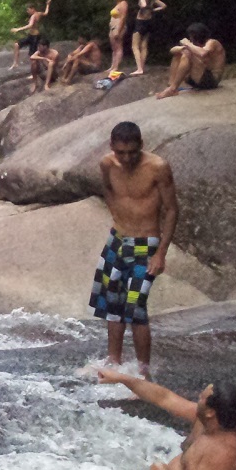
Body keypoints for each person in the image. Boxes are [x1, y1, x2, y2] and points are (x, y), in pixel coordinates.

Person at [90, 121, 178, 377]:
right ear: (112, 147)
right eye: (121, 152)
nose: (126, 158)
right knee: (112, 302)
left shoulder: (158, 168)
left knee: (136, 306)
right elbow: (108, 190)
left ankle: (143, 370)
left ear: (141, 145)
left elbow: (172, 209)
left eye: (132, 152)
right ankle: (113, 362)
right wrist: (118, 218)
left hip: (146, 243)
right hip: (117, 240)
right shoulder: (107, 164)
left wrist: (161, 252)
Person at [97, 368, 236, 470]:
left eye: (201, 398)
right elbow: (164, 397)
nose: (198, 397)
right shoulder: (207, 421)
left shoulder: (225, 453)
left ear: (211, 412)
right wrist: (122, 378)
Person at [154, 23, 226, 99]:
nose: (191, 39)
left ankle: (173, 88)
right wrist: (183, 48)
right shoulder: (193, 45)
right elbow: (172, 50)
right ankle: (170, 86)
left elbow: (203, 53)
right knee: (179, 54)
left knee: (187, 54)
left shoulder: (212, 42)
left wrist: (188, 44)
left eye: (192, 36)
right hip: (197, 78)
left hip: (211, 80)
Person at [130, 0, 167, 75]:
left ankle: (139, 68)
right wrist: (154, 10)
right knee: (144, 45)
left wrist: (142, 1)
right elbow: (164, 6)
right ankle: (142, 67)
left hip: (140, 23)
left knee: (135, 46)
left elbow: (143, 6)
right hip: (149, 22)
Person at [10, 0, 52, 68]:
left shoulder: (33, 16)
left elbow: (30, 25)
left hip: (35, 37)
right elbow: (46, 13)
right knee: (16, 45)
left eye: (28, 10)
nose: (27, 11)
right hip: (30, 36)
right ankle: (15, 63)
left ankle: (39, 70)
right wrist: (47, 4)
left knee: (32, 55)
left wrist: (18, 29)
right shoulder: (39, 13)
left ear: (33, 9)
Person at [107, 0, 129, 73]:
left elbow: (123, 17)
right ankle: (112, 66)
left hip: (118, 27)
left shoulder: (123, 3)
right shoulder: (117, 4)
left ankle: (116, 66)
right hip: (112, 27)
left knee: (118, 46)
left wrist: (119, 30)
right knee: (114, 48)